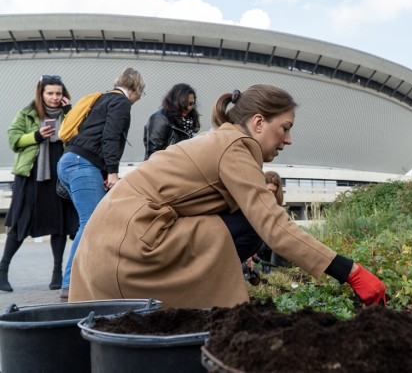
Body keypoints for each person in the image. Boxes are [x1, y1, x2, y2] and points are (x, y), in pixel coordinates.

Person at [68, 84, 386, 308]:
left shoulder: (220, 139)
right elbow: (274, 227)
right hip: (130, 252)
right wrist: (350, 271)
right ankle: (206, 304)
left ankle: (206, 294)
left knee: (248, 216)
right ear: (259, 122)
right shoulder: (236, 147)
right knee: (252, 220)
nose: (289, 139)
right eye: (285, 128)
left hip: (108, 251)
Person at [56, 67, 145, 301]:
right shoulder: (121, 102)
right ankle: (70, 284)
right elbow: (110, 137)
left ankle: (86, 280)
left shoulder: (102, 99)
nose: (137, 100)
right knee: (90, 224)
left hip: (71, 161)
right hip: (82, 164)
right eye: (140, 95)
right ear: (136, 90)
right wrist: (113, 173)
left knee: (93, 224)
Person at [0, 75, 79, 292]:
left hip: (59, 175)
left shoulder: (69, 114)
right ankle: (2, 270)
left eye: (58, 93)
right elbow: (13, 140)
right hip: (31, 175)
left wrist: (69, 111)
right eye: (50, 93)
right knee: (21, 223)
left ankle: (57, 274)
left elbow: (79, 137)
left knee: (60, 224)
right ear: (41, 94)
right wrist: (36, 135)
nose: (54, 97)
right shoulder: (28, 113)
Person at [143, 83, 200, 160]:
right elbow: (154, 154)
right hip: (164, 168)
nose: (188, 107)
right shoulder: (160, 118)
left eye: (191, 104)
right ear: (175, 102)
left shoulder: (188, 120)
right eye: (184, 104)